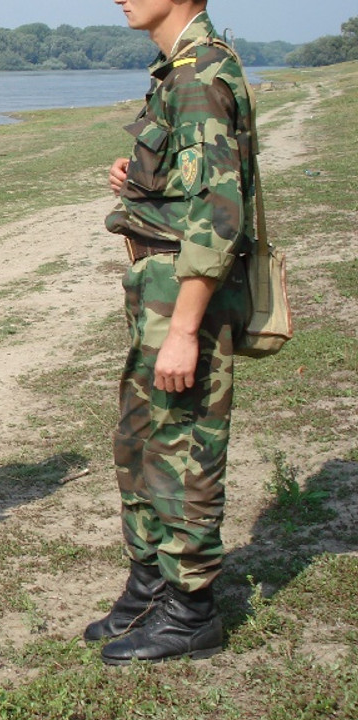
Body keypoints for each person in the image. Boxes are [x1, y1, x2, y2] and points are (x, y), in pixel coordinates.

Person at [87, 0, 257, 663]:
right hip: (158, 291)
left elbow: (220, 214)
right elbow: (193, 184)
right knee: (140, 438)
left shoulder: (199, 74)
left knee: (183, 444)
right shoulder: (176, 71)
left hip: (187, 298)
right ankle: (151, 583)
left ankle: (190, 611)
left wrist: (186, 329)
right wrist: (140, 182)